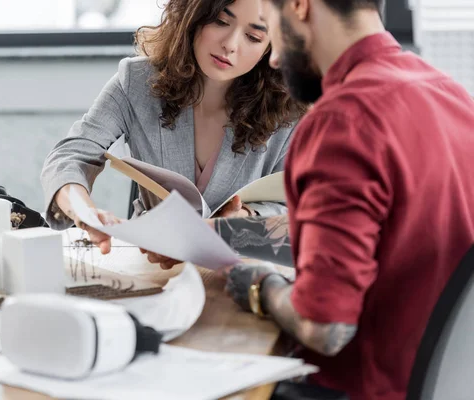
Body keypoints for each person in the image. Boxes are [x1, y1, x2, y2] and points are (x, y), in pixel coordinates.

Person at [213, 0, 474, 399]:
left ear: (300, 6)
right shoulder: (451, 94)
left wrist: (260, 287)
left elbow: (325, 328)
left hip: (358, 389)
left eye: (269, 28)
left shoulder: (343, 120)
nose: (275, 57)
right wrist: (223, 232)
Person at [41, 0, 306, 253]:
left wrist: (246, 216)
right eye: (220, 21)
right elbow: (71, 155)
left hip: (241, 265)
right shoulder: (137, 81)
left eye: (254, 37)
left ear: (273, 47)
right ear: (193, 15)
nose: (230, 45)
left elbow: (299, 206)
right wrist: (83, 212)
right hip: (151, 255)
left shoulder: (289, 108)